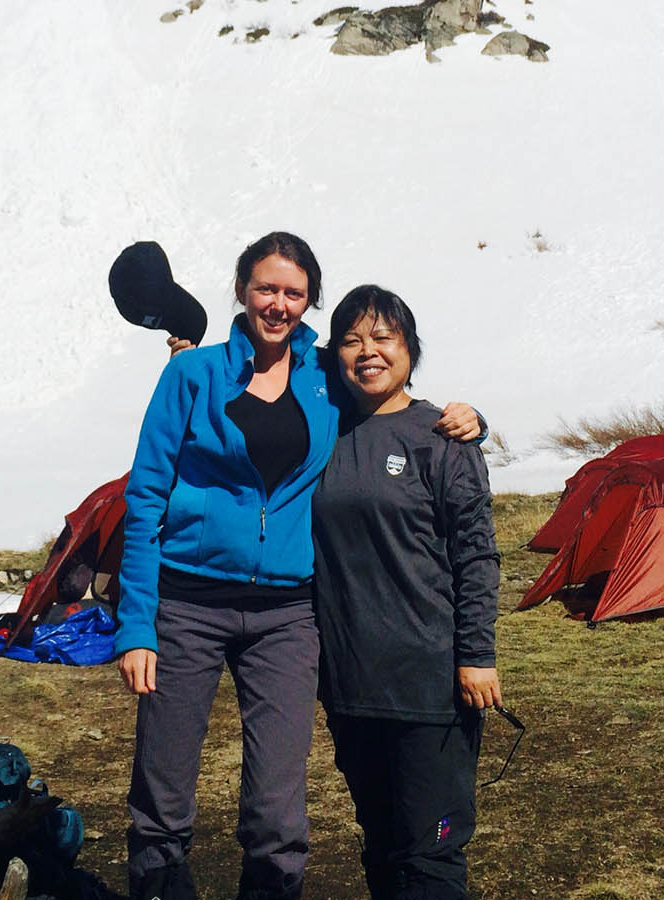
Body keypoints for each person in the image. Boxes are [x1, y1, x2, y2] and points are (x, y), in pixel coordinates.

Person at [115, 232, 480, 900]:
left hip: (286, 614)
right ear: (242, 291)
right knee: (163, 798)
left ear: (309, 300)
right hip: (188, 605)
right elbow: (144, 500)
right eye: (266, 289)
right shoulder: (191, 376)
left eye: (293, 292)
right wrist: (137, 625)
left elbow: (388, 398)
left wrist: (468, 418)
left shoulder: (325, 380)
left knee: (278, 810)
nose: (278, 305)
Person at [312, 285, 502, 900]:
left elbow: (476, 555)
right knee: (382, 838)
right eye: (351, 340)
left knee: (432, 849)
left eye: (383, 337)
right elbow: (263, 356)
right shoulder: (322, 432)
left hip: (430, 683)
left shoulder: (441, 438)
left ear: (410, 350)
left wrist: (477, 654)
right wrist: (182, 349)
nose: (367, 352)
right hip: (350, 684)